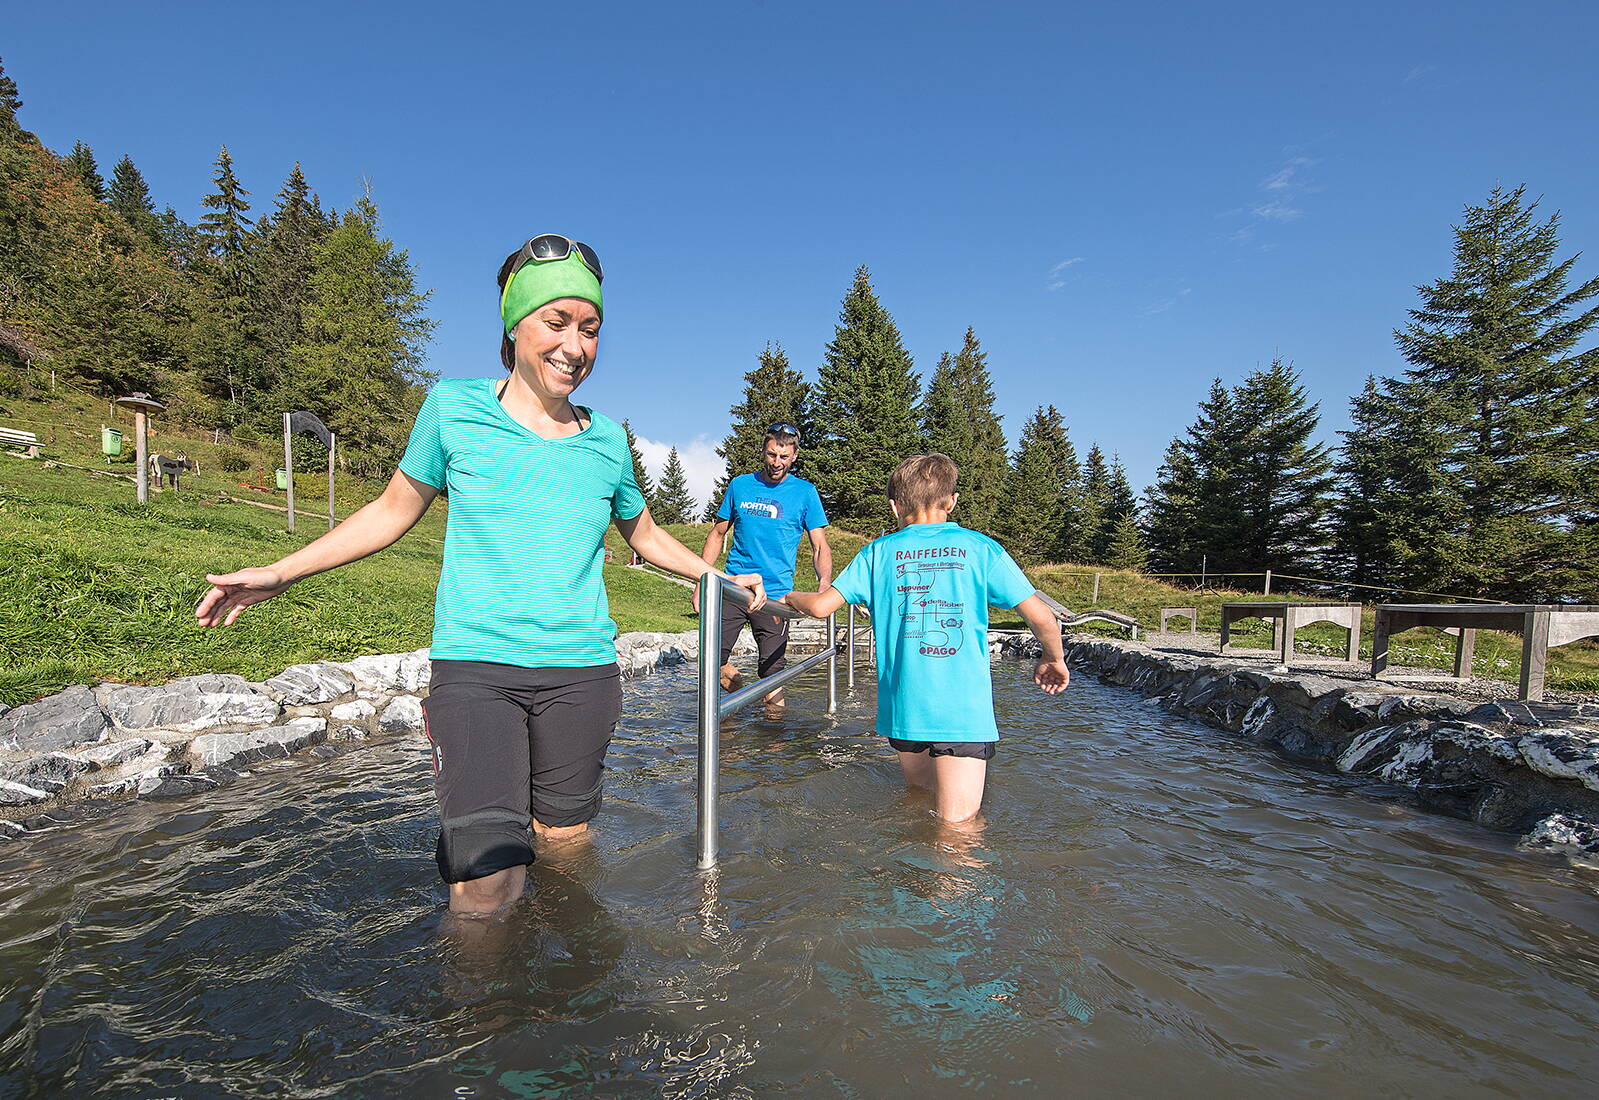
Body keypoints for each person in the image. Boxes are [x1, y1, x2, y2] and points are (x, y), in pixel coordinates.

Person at [194, 233, 766, 916]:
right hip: (477, 670)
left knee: (565, 845)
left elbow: (640, 532)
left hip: (581, 675)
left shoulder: (609, 439)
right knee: (486, 879)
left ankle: (556, 1004)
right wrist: (282, 573)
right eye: (557, 322)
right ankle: (481, 1017)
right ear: (514, 322)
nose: (575, 346)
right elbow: (390, 511)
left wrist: (716, 575)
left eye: (590, 329)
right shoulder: (453, 407)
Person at [784, 453, 1067, 822]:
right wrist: (1053, 658)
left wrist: (787, 596)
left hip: (904, 709)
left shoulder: (877, 552)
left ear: (895, 506)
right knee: (957, 830)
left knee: (917, 802)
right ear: (951, 501)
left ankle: (907, 876)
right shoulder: (981, 548)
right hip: (961, 712)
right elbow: (1042, 616)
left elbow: (821, 606)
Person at [699, 425, 832, 706]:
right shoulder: (740, 485)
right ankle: (738, 702)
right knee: (710, 662)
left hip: (776, 597)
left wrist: (823, 585)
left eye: (784, 456)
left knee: (772, 676)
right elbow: (717, 534)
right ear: (764, 451)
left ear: (794, 456)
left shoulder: (805, 493)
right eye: (771, 454)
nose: (776, 462)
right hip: (734, 588)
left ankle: (773, 742)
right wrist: (702, 581)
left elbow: (819, 545)